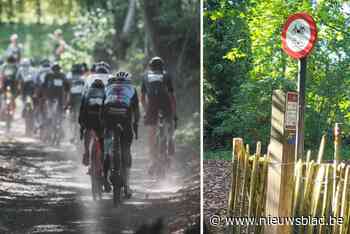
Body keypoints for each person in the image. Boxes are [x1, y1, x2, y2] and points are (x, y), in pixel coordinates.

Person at [102, 71, 140, 198]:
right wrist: (135, 127)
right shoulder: (132, 89)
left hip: (109, 116)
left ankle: (104, 177)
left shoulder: (107, 88)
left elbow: (102, 108)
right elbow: (136, 112)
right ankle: (127, 186)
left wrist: (103, 126)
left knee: (107, 148)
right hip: (125, 119)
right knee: (126, 150)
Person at [141, 57, 177, 174]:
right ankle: (171, 139)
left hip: (152, 104)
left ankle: (152, 161)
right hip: (165, 103)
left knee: (151, 133)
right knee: (170, 122)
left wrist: (146, 111)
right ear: (162, 67)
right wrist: (174, 113)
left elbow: (142, 98)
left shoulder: (145, 76)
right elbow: (172, 96)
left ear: (150, 67)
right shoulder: (166, 75)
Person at [78, 61, 111, 166]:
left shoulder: (89, 78)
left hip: (90, 109)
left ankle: (86, 152)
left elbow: (84, 96)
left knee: (87, 128)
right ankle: (109, 154)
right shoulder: (111, 78)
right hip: (105, 110)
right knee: (108, 130)